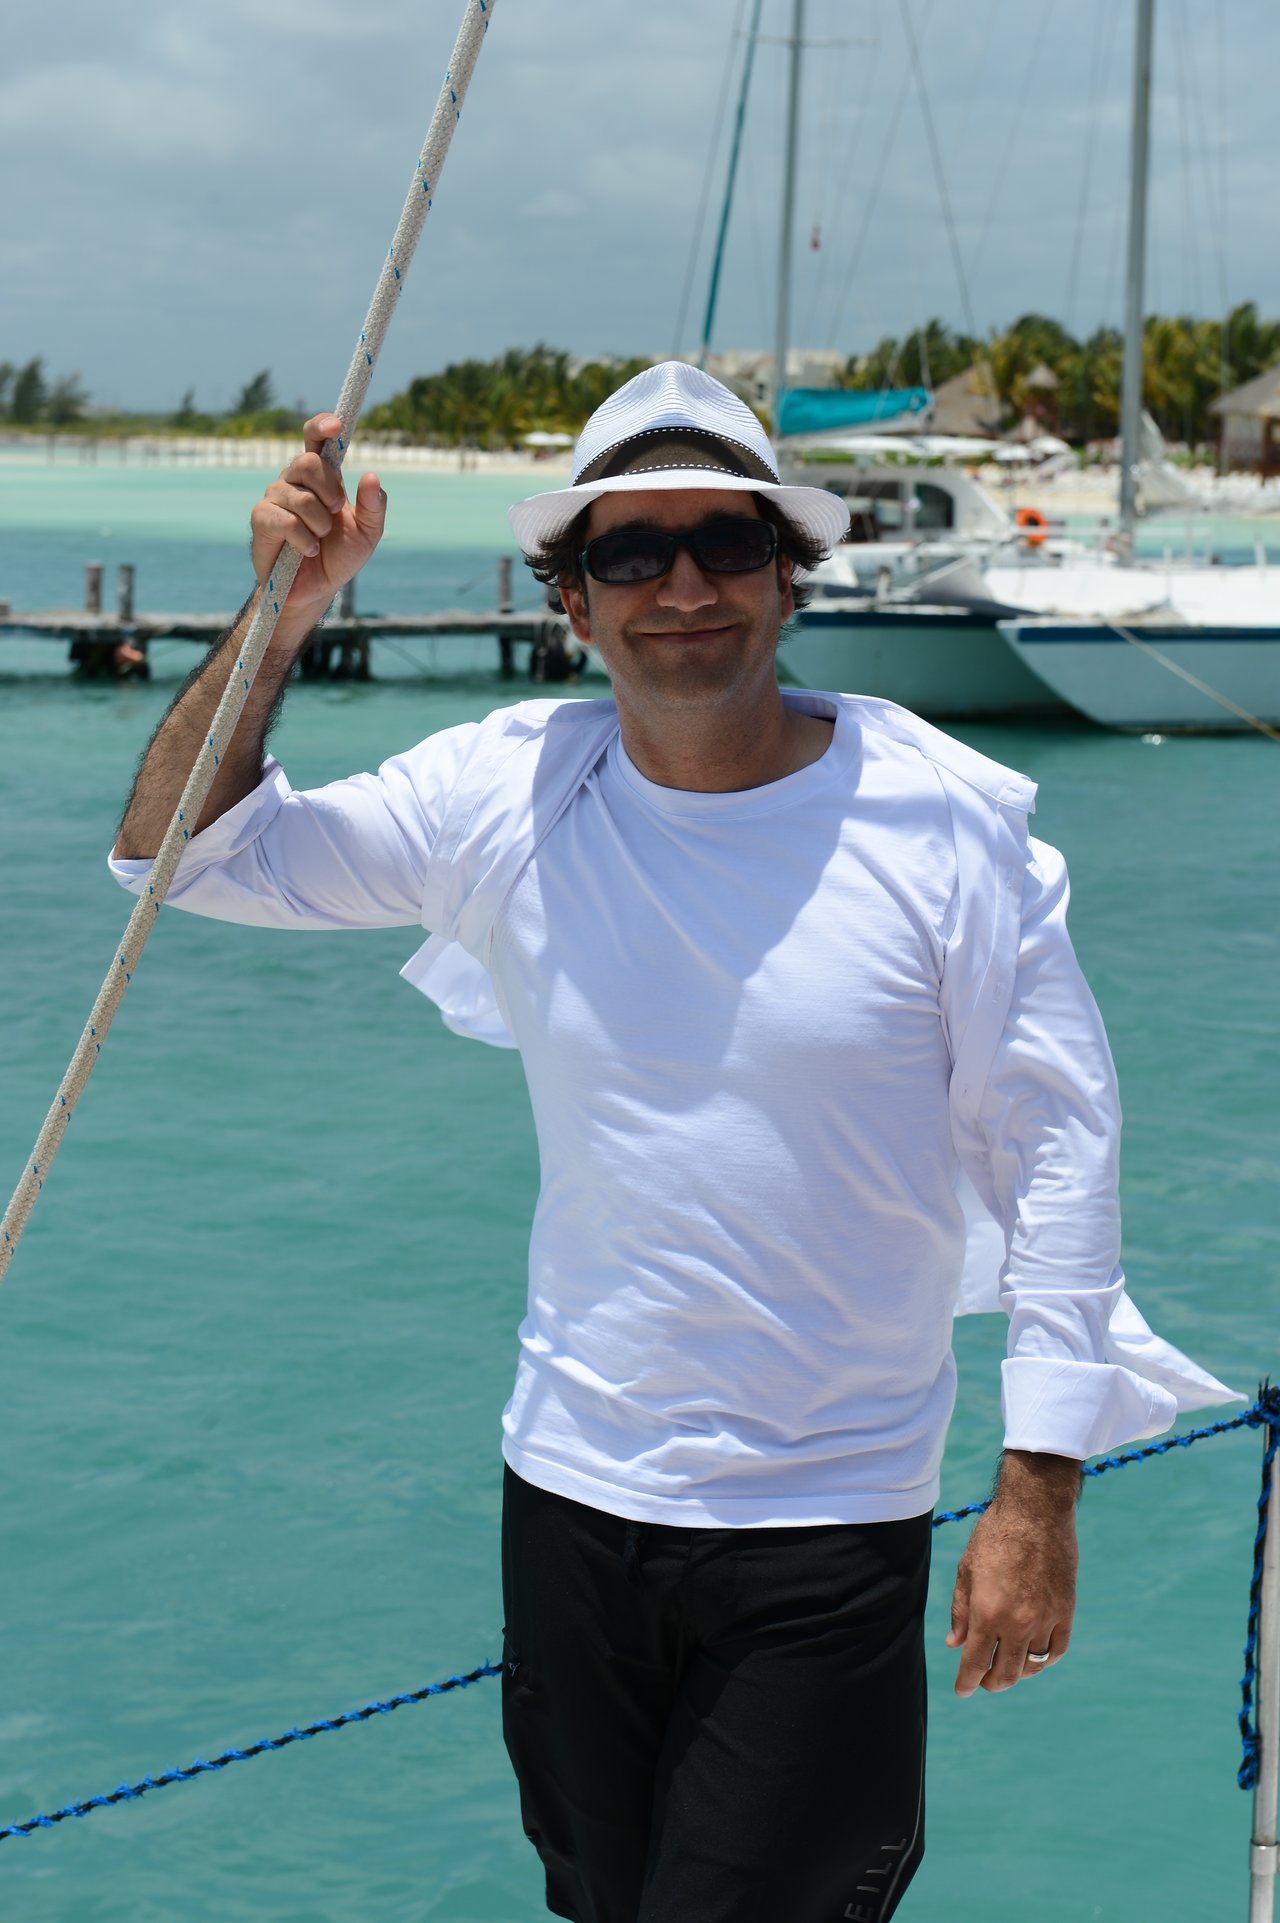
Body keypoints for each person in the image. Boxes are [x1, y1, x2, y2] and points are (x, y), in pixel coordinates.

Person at [111, 363, 1234, 1923]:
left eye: (725, 540)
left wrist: (1037, 1492)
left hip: (827, 1519)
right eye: (632, 554)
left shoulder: (943, 822)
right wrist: (282, 613)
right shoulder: (515, 789)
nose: (684, 584)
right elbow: (178, 854)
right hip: (566, 1498)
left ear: (790, 574)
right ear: (574, 602)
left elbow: (1063, 1150)